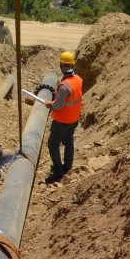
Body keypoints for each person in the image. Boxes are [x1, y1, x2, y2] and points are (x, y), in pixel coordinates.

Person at [43, 51, 83, 184]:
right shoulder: (78, 80)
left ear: (61, 66)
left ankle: (58, 172)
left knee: (52, 144)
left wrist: (50, 104)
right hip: (74, 118)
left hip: (62, 121)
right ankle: (67, 166)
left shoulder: (64, 86)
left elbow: (59, 106)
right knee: (68, 142)